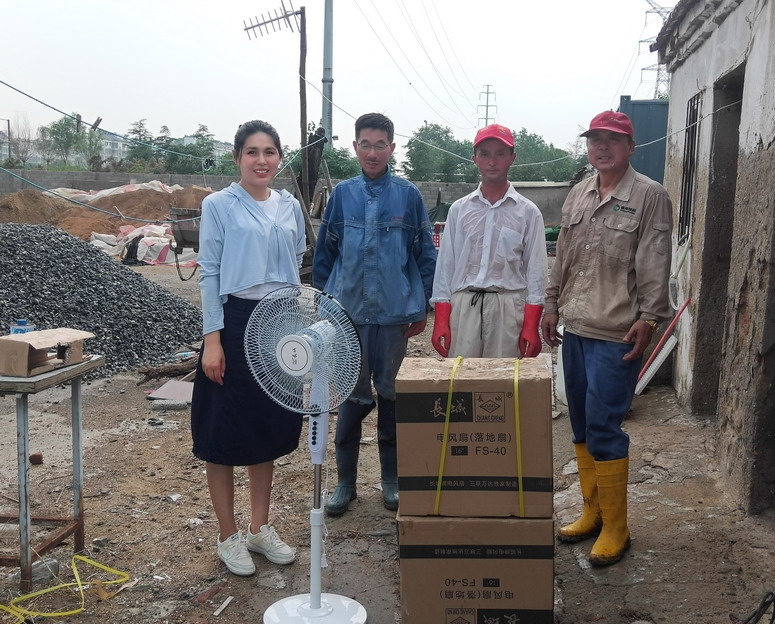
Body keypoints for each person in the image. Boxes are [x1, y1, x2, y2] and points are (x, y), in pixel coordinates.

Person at [541, 110, 673, 566]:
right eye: (595, 139)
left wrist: (651, 319)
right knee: (580, 424)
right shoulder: (579, 193)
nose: (602, 147)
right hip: (576, 327)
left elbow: (655, 259)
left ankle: (617, 527)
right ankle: (592, 512)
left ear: (630, 147)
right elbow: (562, 256)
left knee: (604, 426)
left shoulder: (649, 195)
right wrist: (551, 305)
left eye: (612, 140)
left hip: (617, 331)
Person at [191, 120, 307, 576]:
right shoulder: (219, 205)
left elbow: (297, 260)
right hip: (235, 320)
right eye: (252, 152)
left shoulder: (290, 206)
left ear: (279, 157)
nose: (262, 160)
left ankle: (260, 528)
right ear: (237, 158)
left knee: (266, 425)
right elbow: (210, 273)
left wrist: (297, 325)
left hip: (280, 320)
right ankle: (228, 535)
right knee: (221, 429)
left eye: (270, 152)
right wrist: (212, 340)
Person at [312, 112, 436, 516]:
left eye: (380, 145)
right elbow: (325, 253)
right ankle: (345, 482)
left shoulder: (408, 196)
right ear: (354, 147)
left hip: (394, 315)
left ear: (392, 148)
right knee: (351, 394)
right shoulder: (342, 195)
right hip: (347, 316)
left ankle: (391, 480)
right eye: (365, 144)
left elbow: (424, 255)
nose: (372, 152)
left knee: (391, 395)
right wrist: (324, 304)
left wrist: (423, 304)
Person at [430, 123, 547, 359]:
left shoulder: (527, 212)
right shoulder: (459, 210)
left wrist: (531, 325)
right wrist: (441, 320)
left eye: (500, 154)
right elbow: (445, 267)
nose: (492, 162)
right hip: (465, 305)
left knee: (504, 377)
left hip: (508, 306)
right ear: (474, 159)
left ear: (512, 158)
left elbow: (537, 272)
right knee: (462, 375)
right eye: (484, 154)